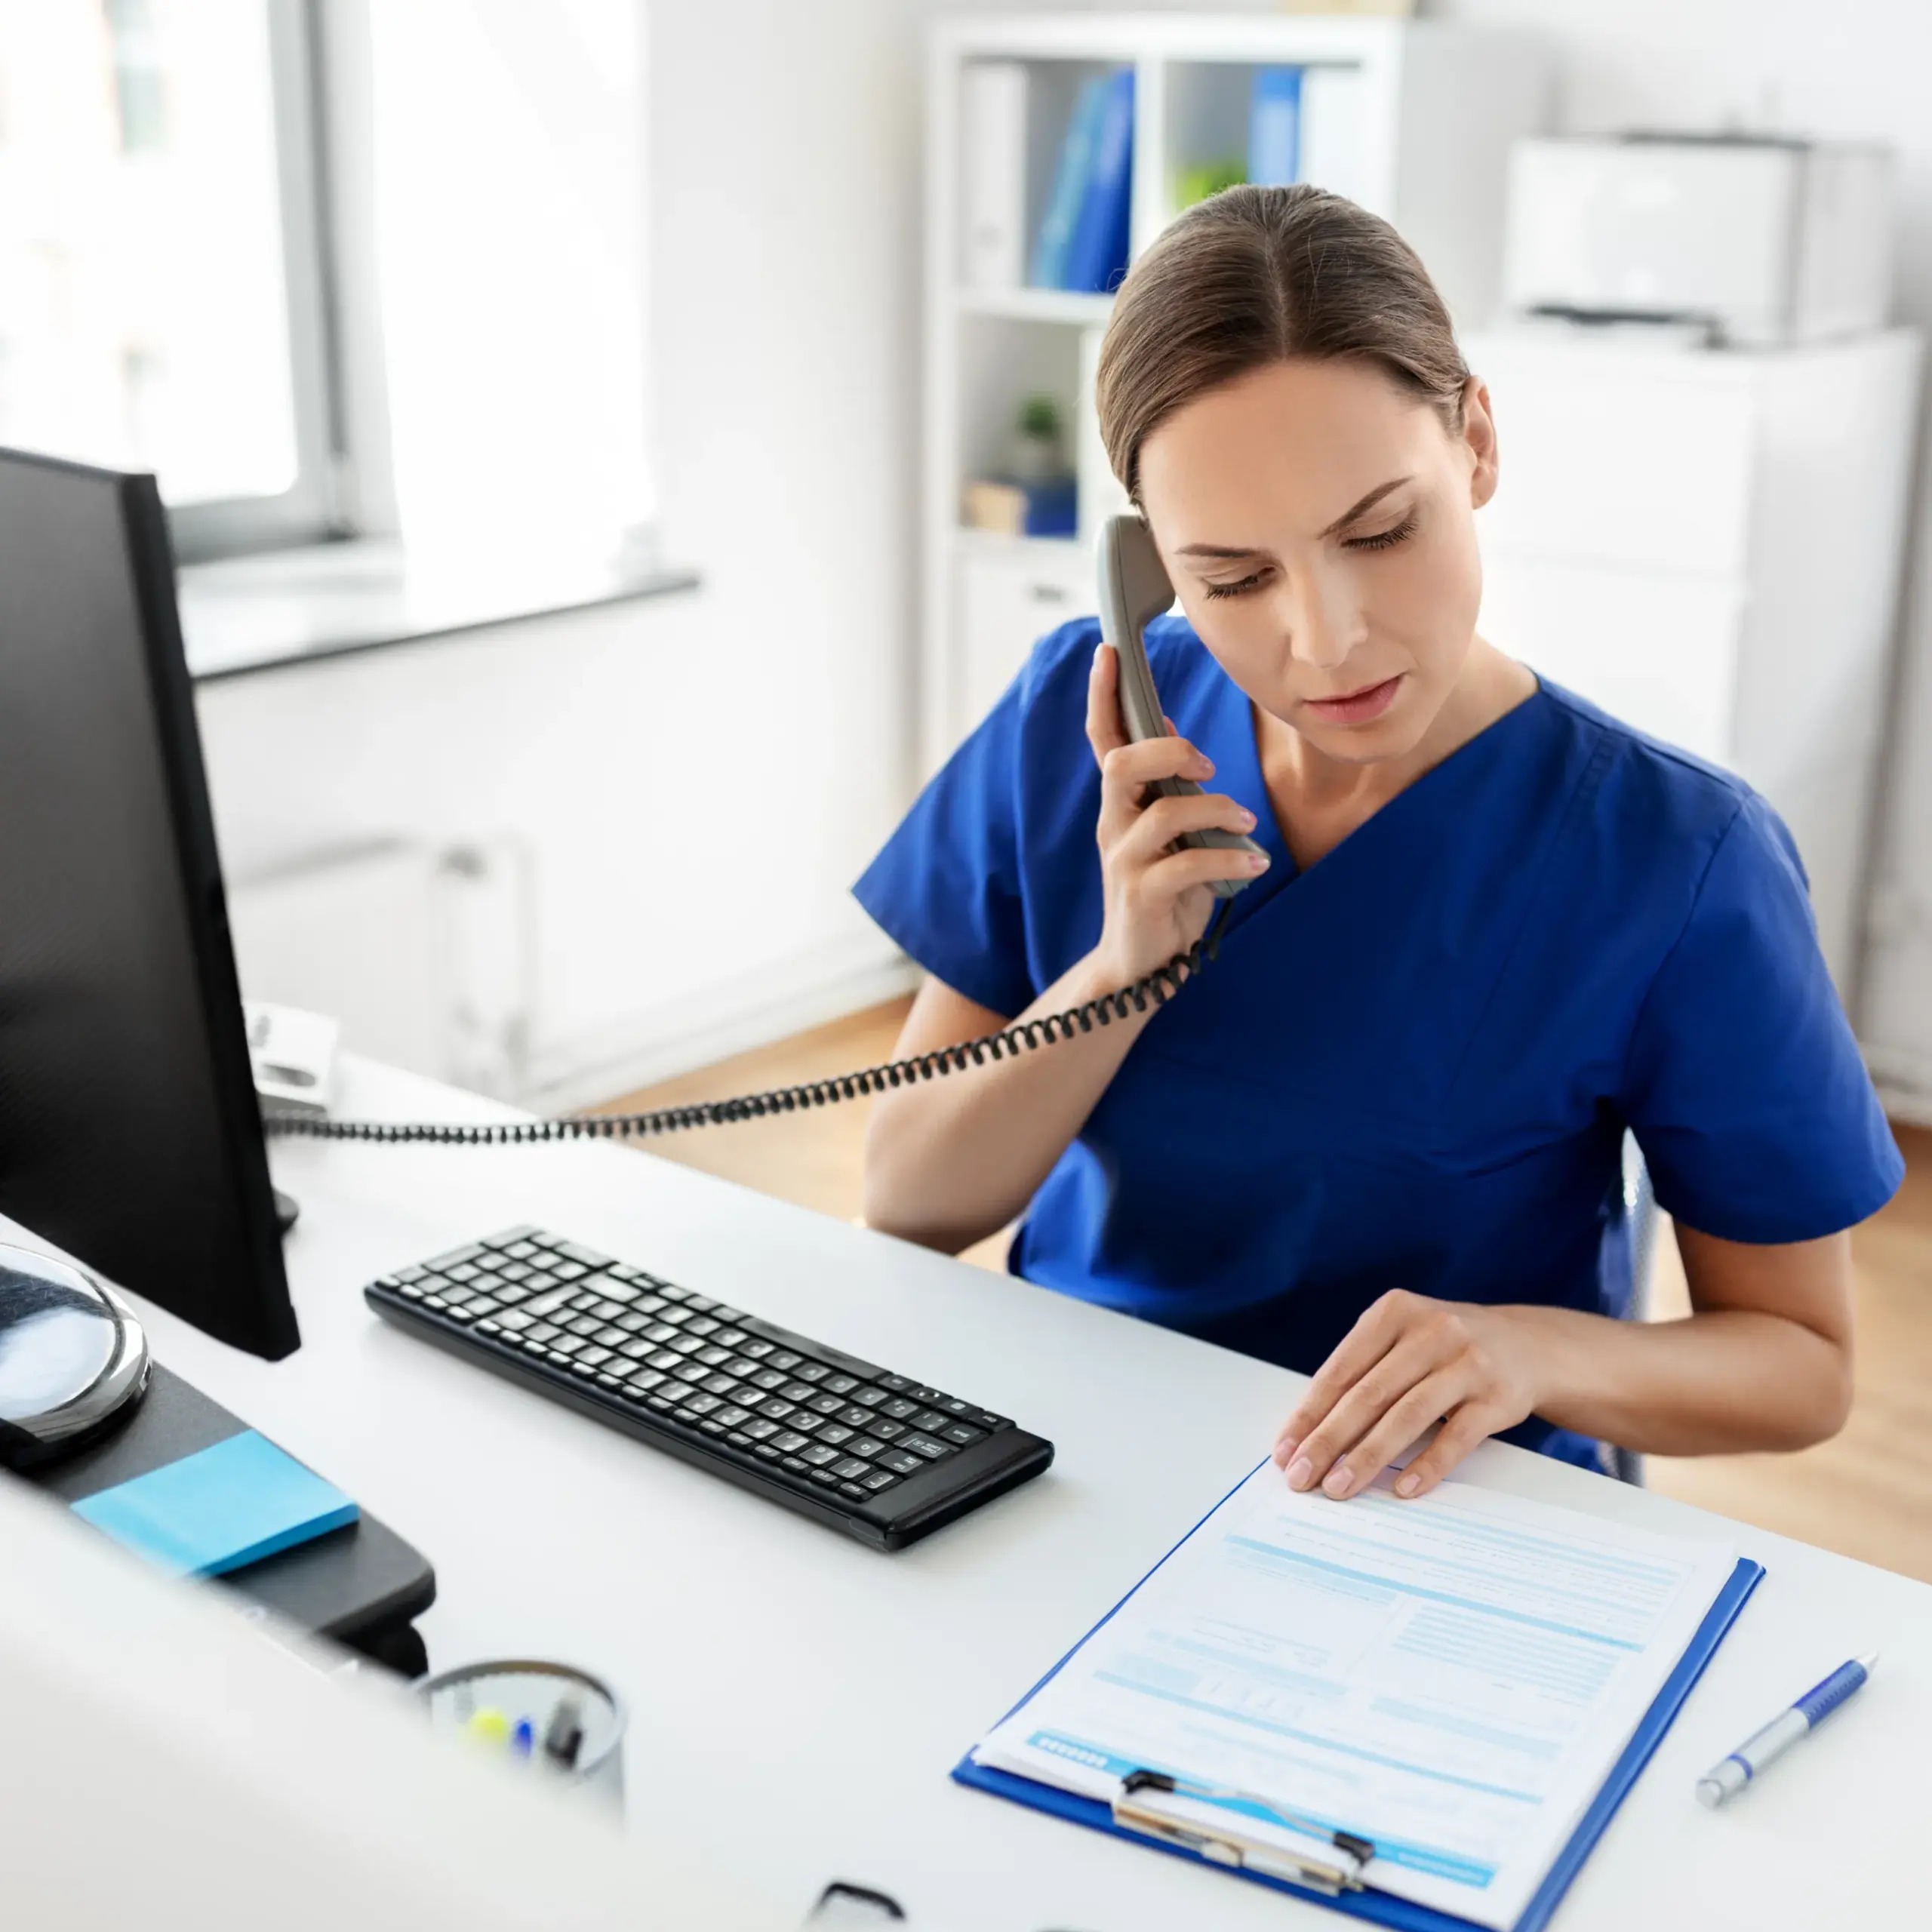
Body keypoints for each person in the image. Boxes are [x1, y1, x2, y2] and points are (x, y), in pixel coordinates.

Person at [852, 185, 1902, 1502]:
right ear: (1150, 567)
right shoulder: (1084, 728)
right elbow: (908, 1200)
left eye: (1380, 530)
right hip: (1075, 1464)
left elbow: (1802, 1365)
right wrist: (1118, 971)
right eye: (1233, 578)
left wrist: (1524, 1353)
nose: (1327, 638)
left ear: (1474, 441)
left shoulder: (1677, 857)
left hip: (1436, 1508)